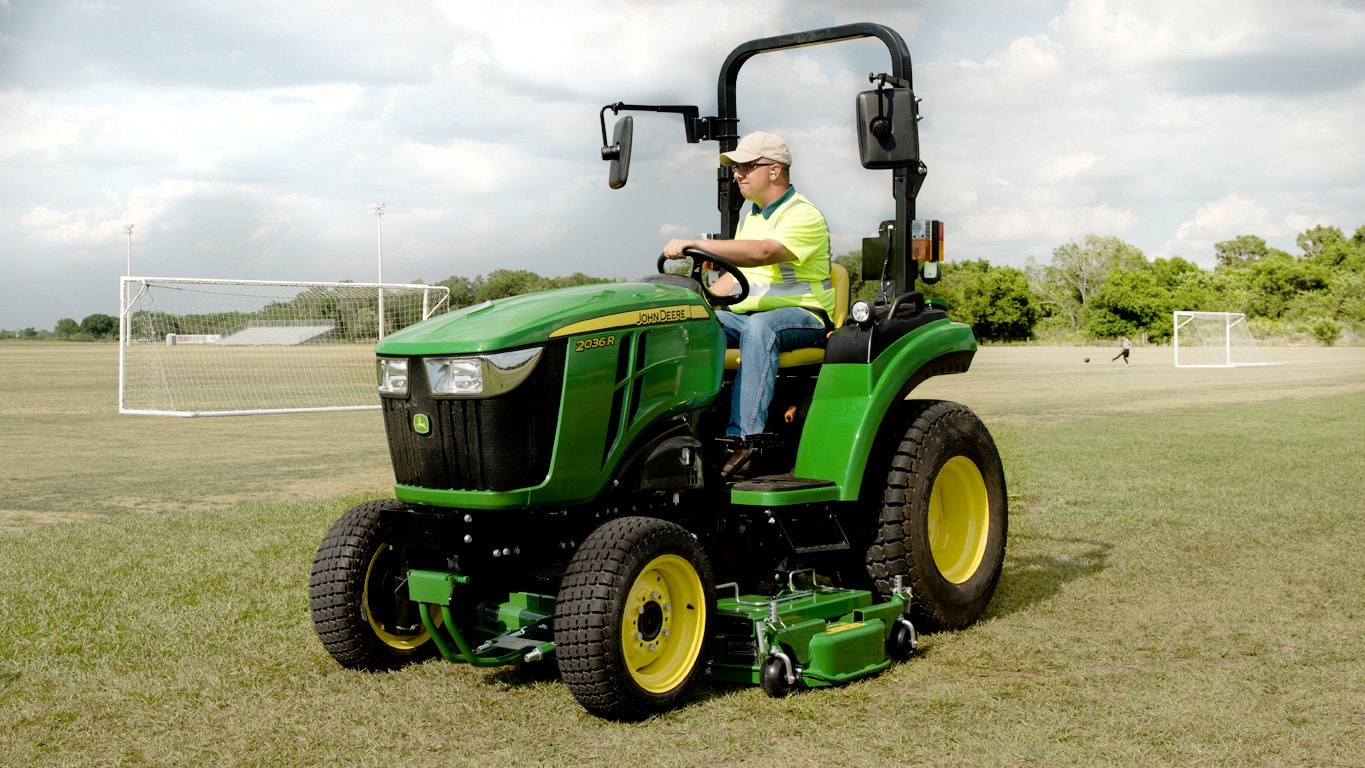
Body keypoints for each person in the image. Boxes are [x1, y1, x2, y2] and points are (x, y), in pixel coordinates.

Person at [663, 131, 834, 475]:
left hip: (805, 317)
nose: (737, 173)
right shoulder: (750, 214)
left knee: (761, 327)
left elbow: (764, 252)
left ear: (774, 170)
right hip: (750, 316)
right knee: (688, 321)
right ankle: (674, 432)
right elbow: (737, 275)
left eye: (745, 166)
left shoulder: (803, 214)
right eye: (735, 167)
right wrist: (698, 303)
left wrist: (698, 244)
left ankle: (745, 441)